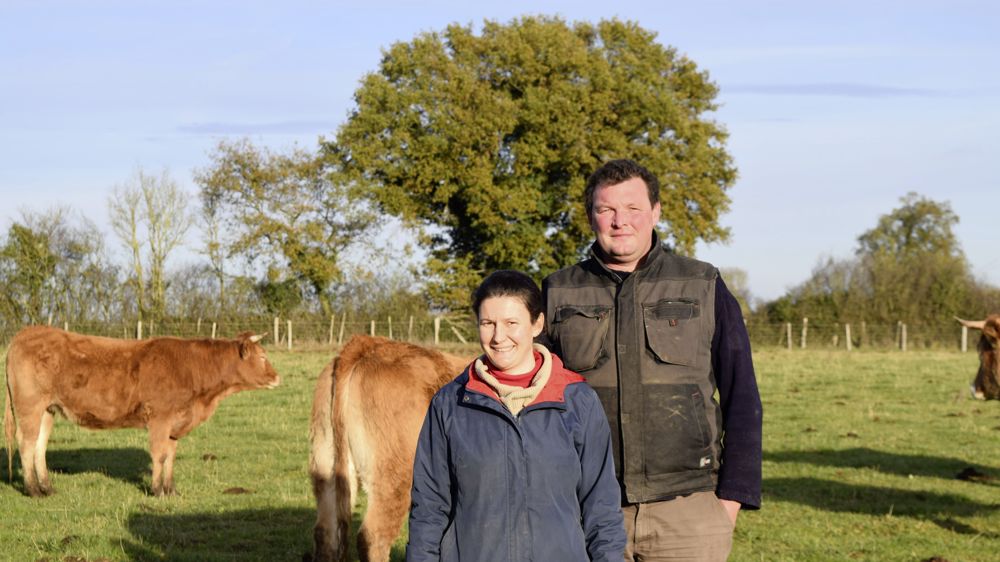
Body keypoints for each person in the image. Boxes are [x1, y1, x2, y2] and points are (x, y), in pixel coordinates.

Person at [542, 159, 762, 561]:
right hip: (587, 507)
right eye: (606, 209)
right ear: (591, 215)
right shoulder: (558, 291)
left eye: (632, 209)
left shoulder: (702, 282)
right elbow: (534, 401)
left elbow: (742, 395)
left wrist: (731, 499)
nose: (619, 221)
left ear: (656, 212)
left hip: (689, 511)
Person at [406, 270, 626, 562]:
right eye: (488, 323)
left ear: (537, 324)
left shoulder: (577, 401)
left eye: (511, 323)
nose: (499, 337)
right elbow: (429, 508)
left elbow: (602, 509)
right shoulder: (450, 404)